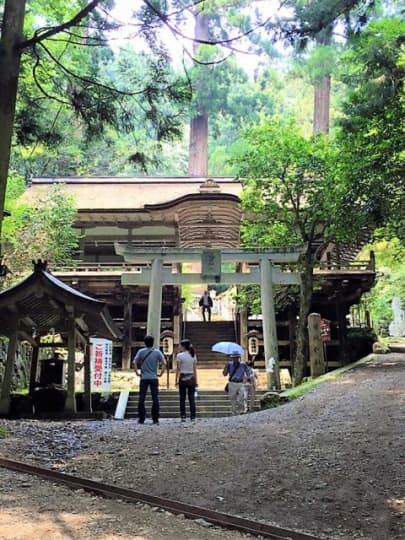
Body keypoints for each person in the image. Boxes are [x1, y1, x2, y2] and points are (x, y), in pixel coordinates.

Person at [133, 335, 166, 424]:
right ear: (153, 342)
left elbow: (134, 362)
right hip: (154, 377)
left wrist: (137, 372)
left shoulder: (141, 351)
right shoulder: (157, 352)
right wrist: (161, 373)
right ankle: (155, 418)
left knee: (142, 398)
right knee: (155, 398)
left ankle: (141, 418)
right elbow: (164, 363)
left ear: (145, 342)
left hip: (144, 378)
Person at [175, 339, 198, 422]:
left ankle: (183, 415)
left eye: (181, 346)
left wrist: (176, 379)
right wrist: (196, 380)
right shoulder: (193, 355)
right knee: (191, 398)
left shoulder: (179, 356)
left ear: (184, 346)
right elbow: (195, 369)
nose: (180, 347)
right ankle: (193, 415)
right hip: (191, 377)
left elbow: (178, 369)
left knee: (182, 398)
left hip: (183, 377)